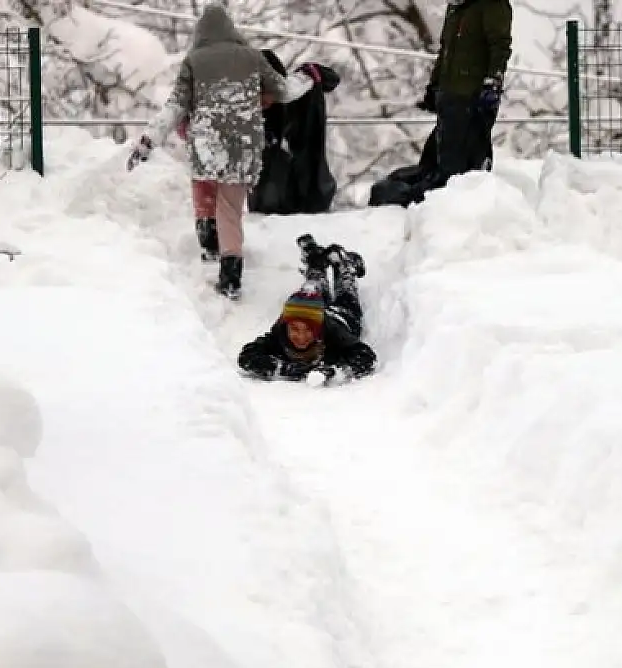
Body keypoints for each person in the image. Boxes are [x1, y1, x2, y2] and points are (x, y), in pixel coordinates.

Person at [127, 4, 325, 298]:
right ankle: (231, 274)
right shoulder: (252, 57)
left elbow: (175, 106)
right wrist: (307, 76)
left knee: (204, 187)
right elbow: (284, 91)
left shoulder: (194, 60)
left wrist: (148, 140)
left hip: (207, 141)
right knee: (230, 209)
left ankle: (208, 240)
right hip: (243, 144)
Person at [368, 0, 512, 208]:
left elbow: (500, 46)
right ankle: (420, 197)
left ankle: (442, 204)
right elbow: (446, 51)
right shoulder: (456, 7)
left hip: (471, 97)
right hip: (449, 95)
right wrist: (434, 86)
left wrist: (492, 84)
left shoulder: (491, 5)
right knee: (436, 158)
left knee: (457, 166)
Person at [238, 235, 378, 384]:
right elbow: (247, 357)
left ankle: (344, 266)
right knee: (310, 292)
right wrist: (282, 368)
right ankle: (316, 261)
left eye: (309, 330)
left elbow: (366, 357)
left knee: (346, 293)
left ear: (318, 329)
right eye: (295, 329)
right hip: (314, 312)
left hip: (341, 317)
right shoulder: (280, 334)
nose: (301, 337)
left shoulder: (333, 334)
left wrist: (335, 371)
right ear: (286, 326)